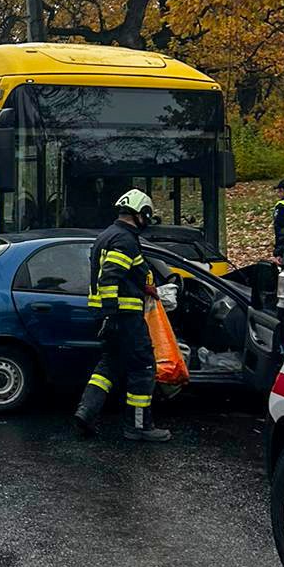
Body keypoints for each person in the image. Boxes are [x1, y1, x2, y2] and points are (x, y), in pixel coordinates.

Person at [73, 189, 169, 443]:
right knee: (143, 366)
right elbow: (110, 278)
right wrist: (112, 315)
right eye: (147, 216)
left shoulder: (107, 235)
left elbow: (133, 270)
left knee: (109, 364)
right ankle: (138, 426)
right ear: (141, 214)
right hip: (124, 317)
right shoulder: (124, 240)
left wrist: (144, 284)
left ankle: (86, 411)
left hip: (110, 316)